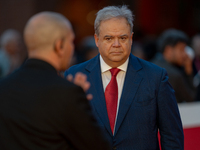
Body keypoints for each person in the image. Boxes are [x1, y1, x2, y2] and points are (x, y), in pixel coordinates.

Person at [65, 5, 184, 150]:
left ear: (131, 38)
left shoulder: (155, 77)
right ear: (97, 40)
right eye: (108, 38)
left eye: (122, 38)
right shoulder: (74, 75)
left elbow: (172, 136)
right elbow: (65, 131)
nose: (116, 44)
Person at [0, 11, 111, 150]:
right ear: (60, 45)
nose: (73, 48)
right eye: (71, 41)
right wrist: (77, 99)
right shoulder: (68, 94)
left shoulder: (3, 87)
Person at [151, 29, 196, 103]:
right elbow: (191, 99)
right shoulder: (174, 75)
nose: (185, 54)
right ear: (169, 50)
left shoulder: (149, 65)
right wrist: (189, 71)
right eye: (181, 49)